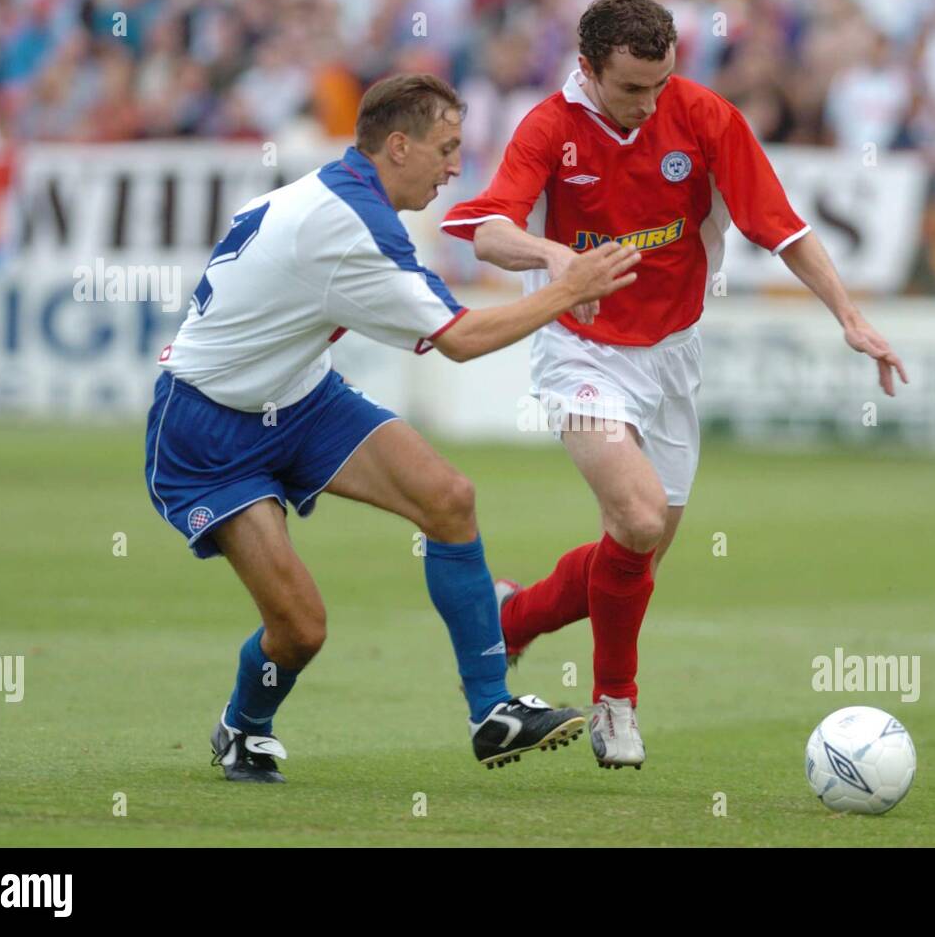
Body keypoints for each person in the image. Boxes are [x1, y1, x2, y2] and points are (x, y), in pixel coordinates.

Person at [441, 0, 907, 770]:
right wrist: (556, 257)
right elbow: (487, 230)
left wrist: (850, 318)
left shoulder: (706, 116)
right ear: (587, 69)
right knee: (639, 516)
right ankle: (615, 704)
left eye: (659, 84)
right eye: (630, 87)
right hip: (578, 348)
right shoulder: (549, 126)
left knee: (637, 550)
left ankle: (512, 618)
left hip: (673, 352)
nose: (648, 103)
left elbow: (781, 228)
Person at [145, 73, 641, 781]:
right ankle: (243, 727)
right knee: (301, 629)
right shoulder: (352, 227)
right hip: (209, 428)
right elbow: (461, 338)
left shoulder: (337, 193)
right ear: (397, 146)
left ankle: (492, 712)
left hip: (302, 398)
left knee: (448, 497)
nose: (453, 168)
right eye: (446, 150)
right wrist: (569, 288)